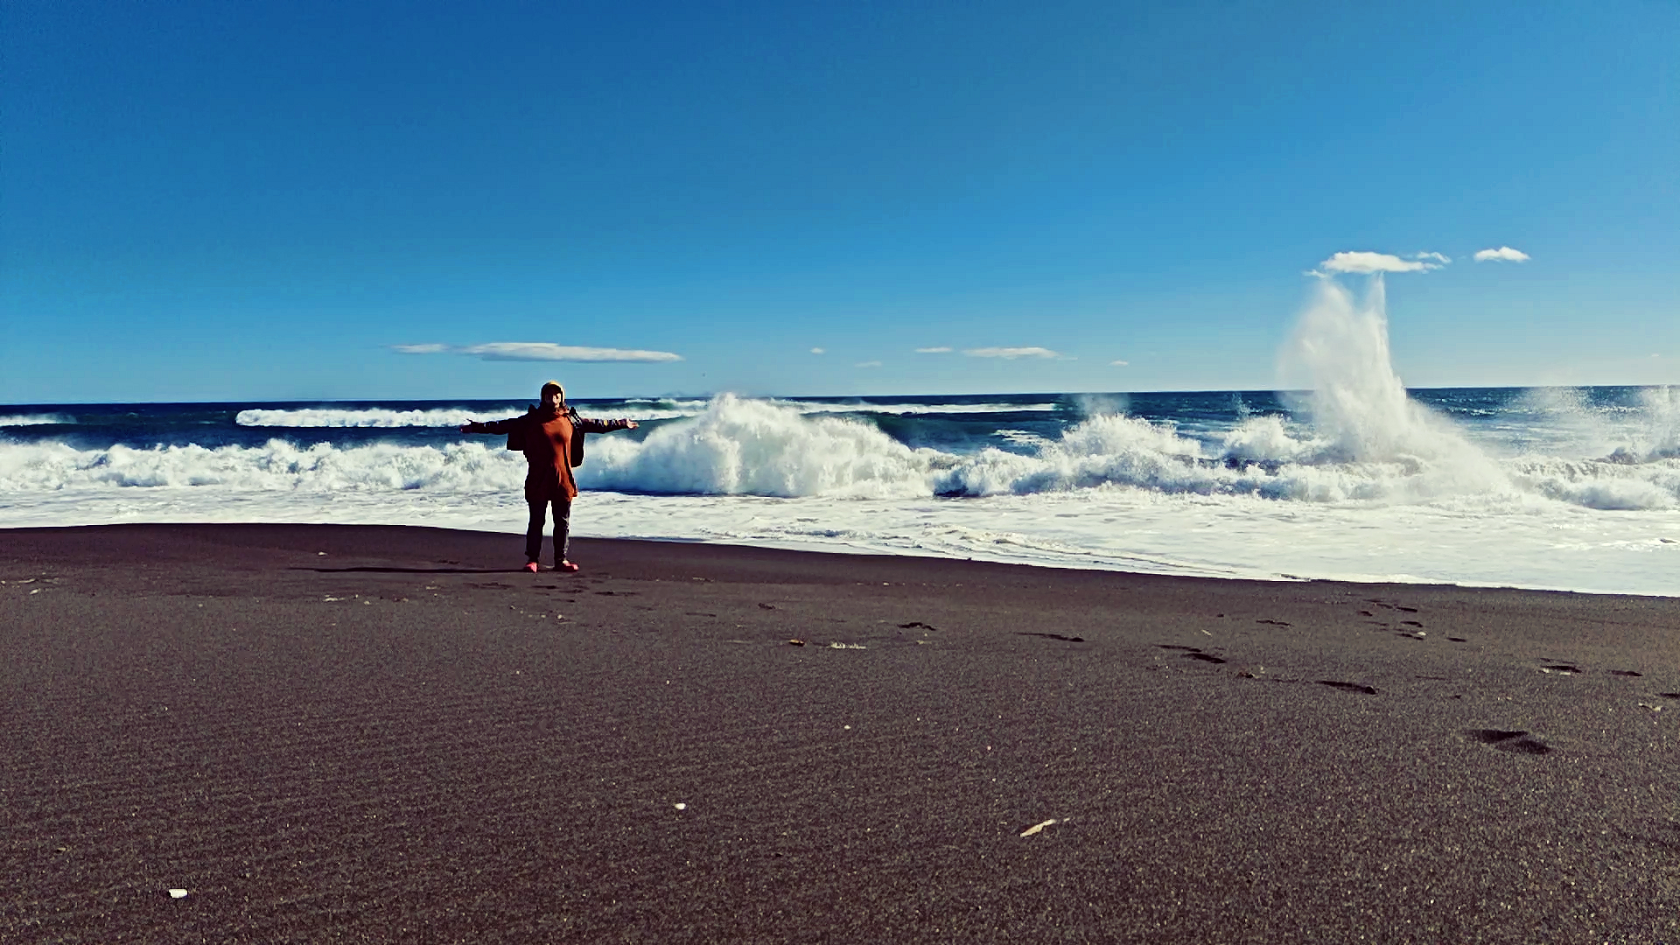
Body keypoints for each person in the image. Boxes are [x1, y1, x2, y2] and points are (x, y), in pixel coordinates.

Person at [459, 380, 639, 573]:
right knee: (536, 521)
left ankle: (560, 560)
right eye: (548, 395)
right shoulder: (531, 420)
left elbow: (599, 424)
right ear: (542, 398)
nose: (552, 398)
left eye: (556, 395)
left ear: (562, 397)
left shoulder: (572, 420)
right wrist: (477, 427)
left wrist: (622, 423)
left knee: (562, 522)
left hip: (563, 480)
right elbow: (502, 426)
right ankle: (532, 560)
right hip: (538, 479)